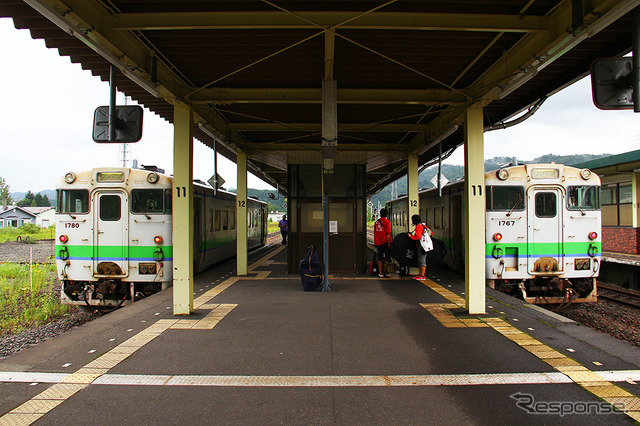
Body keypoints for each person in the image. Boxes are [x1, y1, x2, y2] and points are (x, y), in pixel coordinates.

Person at [408, 214, 433, 281]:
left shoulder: (418, 226)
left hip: (422, 246)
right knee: (420, 260)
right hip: (425, 245)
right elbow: (431, 233)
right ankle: (420, 274)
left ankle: (422, 275)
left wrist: (411, 237)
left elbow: (418, 236)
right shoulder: (423, 225)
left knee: (422, 260)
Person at [373, 208, 392, 278]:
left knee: (379, 257)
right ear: (387, 214)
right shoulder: (387, 222)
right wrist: (389, 243)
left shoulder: (376, 222)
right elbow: (388, 233)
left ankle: (380, 273)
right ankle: (387, 272)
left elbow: (375, 232)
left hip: (378, 242)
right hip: (385, 241)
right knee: (387, 257)